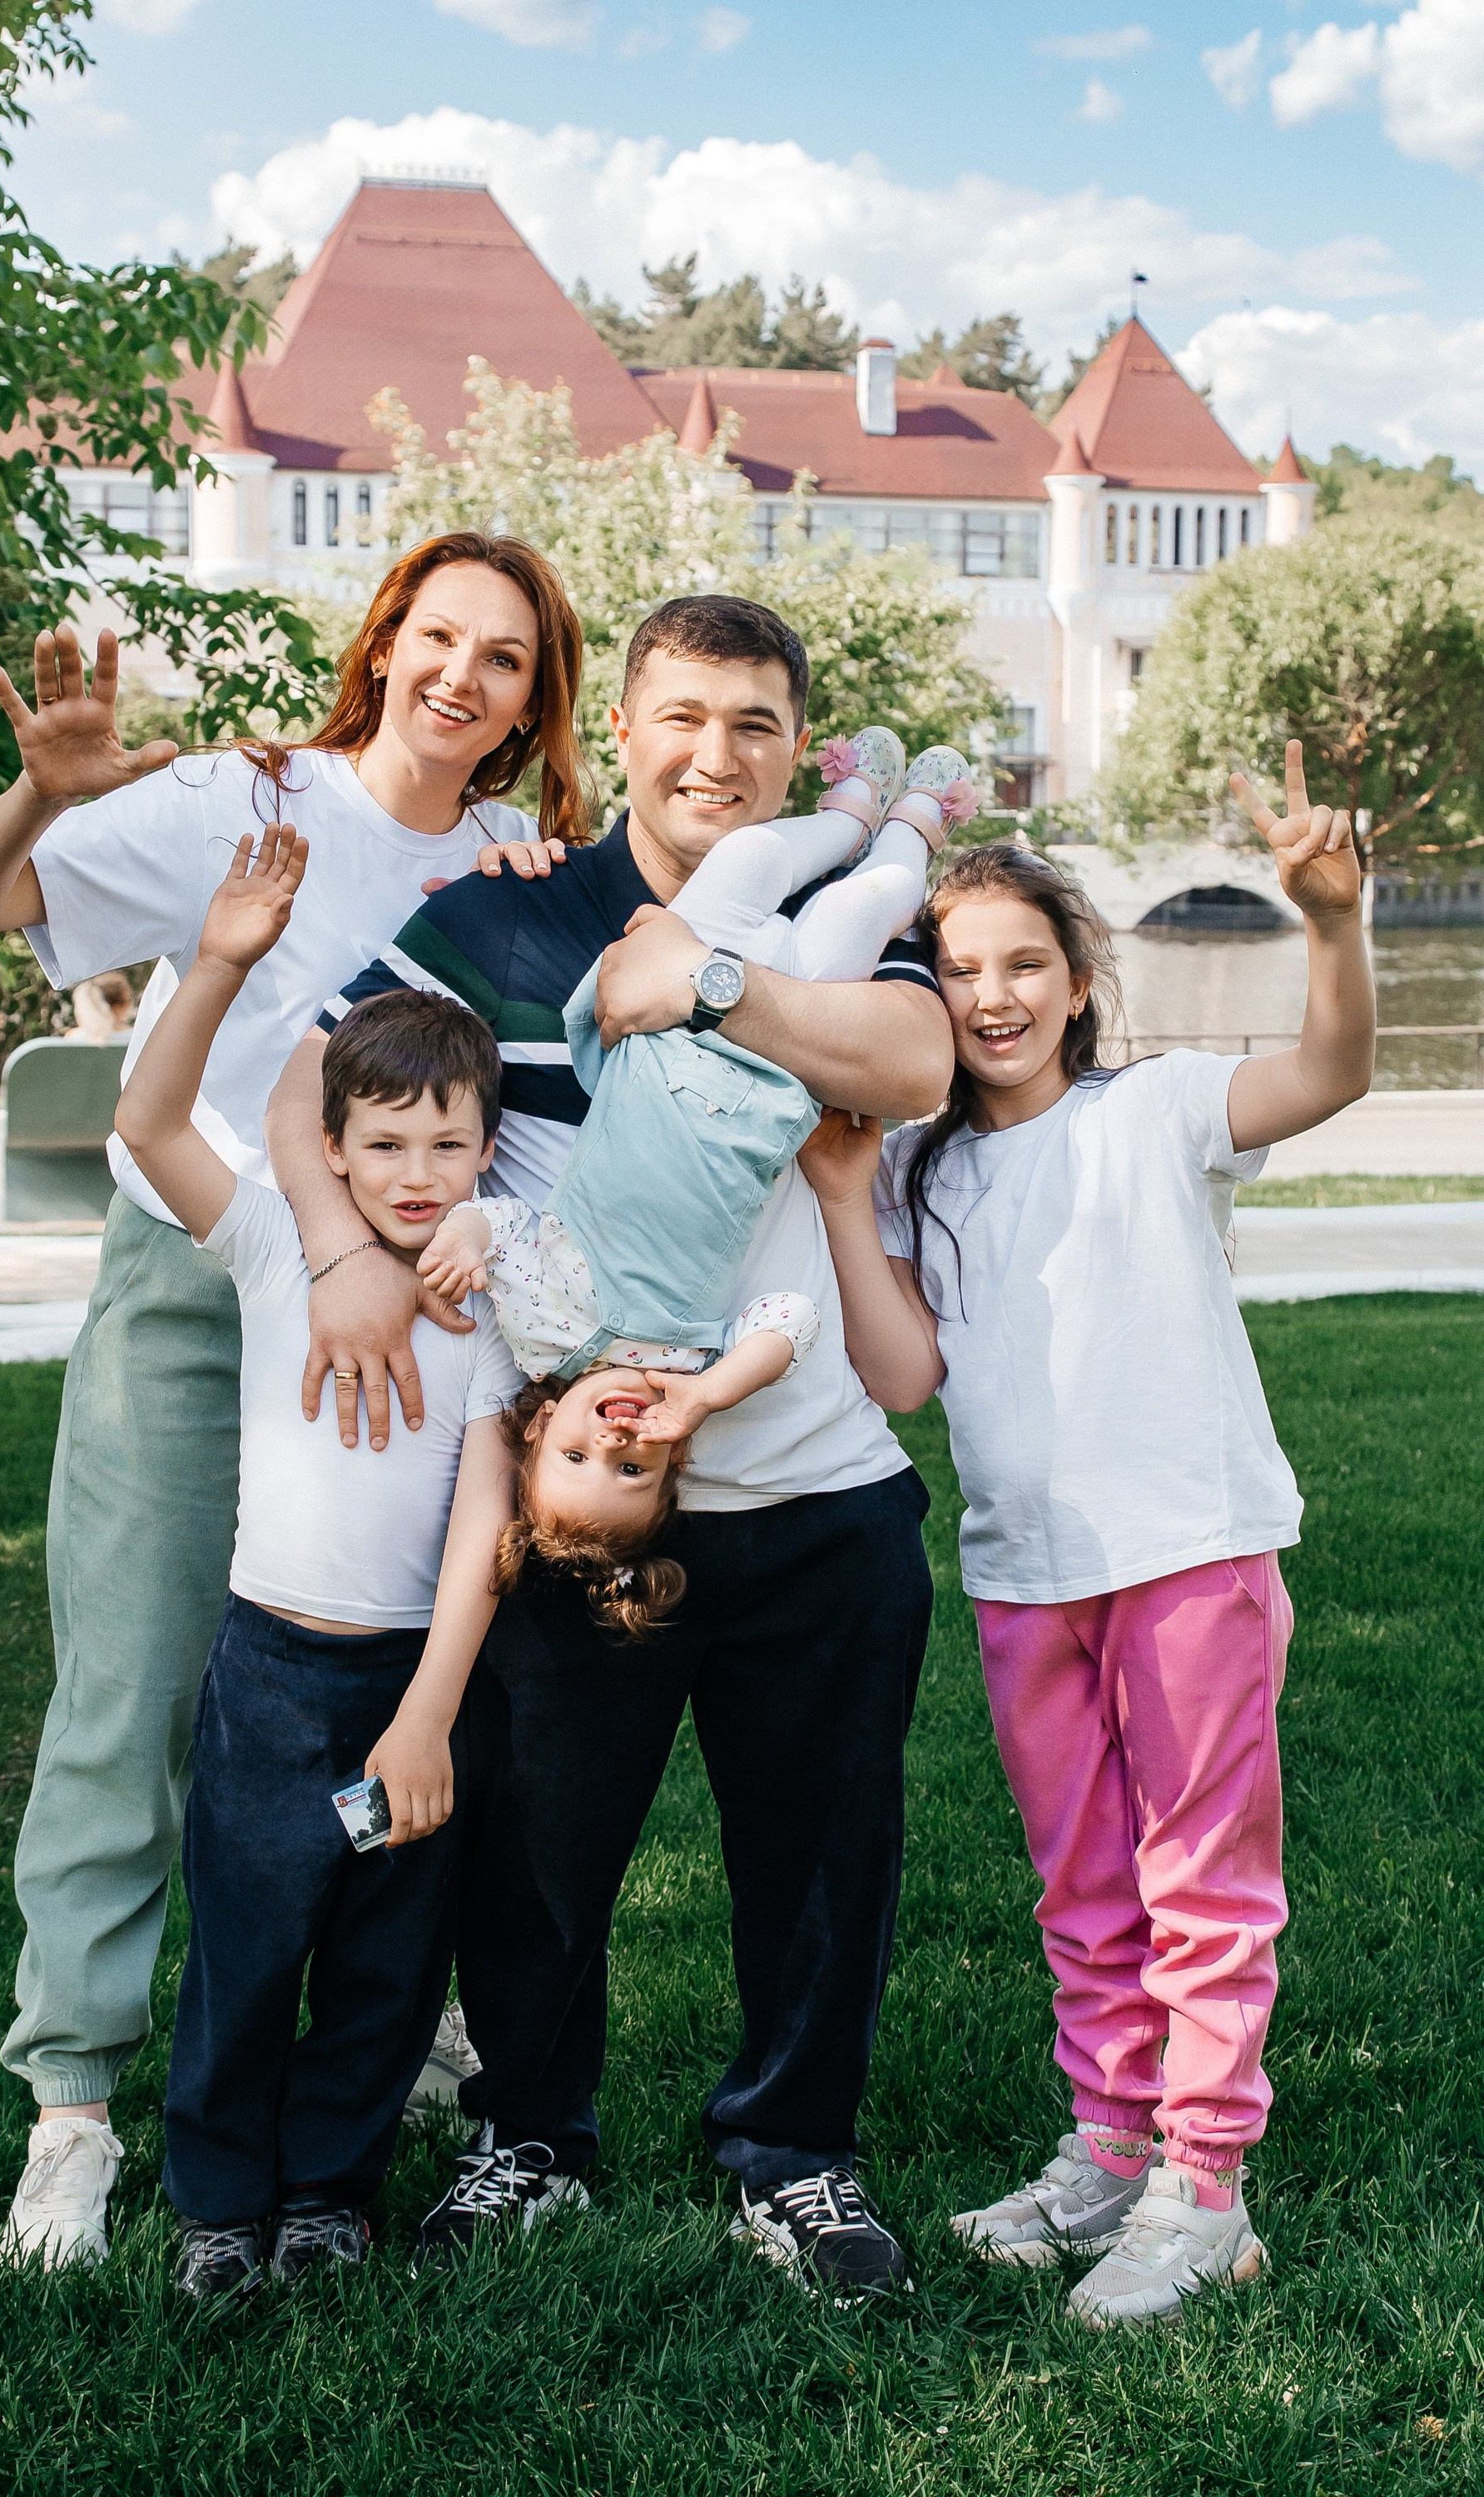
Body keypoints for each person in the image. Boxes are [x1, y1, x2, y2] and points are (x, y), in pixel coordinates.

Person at [266, 594, 955, 2299]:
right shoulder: (517, 919)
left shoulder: (826, 911)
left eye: (756, 726)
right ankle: (528, 2138)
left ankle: (792, 2156)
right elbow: (306, 1085)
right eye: (684, 715)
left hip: (813, 1491)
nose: (716, 753)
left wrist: (714, 982)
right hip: (580, 1506)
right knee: (538, 1847)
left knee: (822, 1847)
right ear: (622, 729)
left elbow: (917, 1055)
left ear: (800, 751)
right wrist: (346, 1251)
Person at [0, 531, 592, 2268]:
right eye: (438, 635)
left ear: (535, 700)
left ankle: (404, 2030)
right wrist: (38, 795)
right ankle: (74, 2096)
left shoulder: (530, 875)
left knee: (397, 1670)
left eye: (503, 657)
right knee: (133, 1683)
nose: (462, 675)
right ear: (385, 643)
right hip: (199, 1283)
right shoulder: (247, 797)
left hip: (413, 1340)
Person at [799, 742, 1375, 2329]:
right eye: (956, 969)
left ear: (1074, 983)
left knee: (1200, 1873)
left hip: (1187, 1550)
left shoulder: (1161, 1112)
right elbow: (906, 1374)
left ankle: (1206, 2187)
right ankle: (1113, 2149)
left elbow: (1326, 1078)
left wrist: (1332, 924)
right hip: (1023, 1572)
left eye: (1022, 966)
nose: (989, 997)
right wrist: (849, 1202)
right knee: (1083, 1883)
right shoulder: (916, 1172)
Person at [108, 822, 520, 2300]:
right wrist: (218, 965)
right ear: (333, 1150)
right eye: (387, 1143)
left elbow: (490, 1516)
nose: (418, 1173)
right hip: (270, 1672)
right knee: (251, 1945)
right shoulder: (286, 1248)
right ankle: (221, 2199)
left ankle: (329, 2192)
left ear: (490, 1148)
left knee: (386, 1963)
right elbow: (154, 1124)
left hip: (417, 1677)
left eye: (450, 1144)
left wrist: (427, 1714)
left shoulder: (494, 1300)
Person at [417, 728, 975, 1578]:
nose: (611, 1440)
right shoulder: (700, 1362)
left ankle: (849, 814)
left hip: (666, 1036)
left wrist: (461, 1238)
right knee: (867, 907)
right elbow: (788, 1320)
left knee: (750, 854)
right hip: (773, 1070)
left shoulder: (540, 1335)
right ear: (673, 1457)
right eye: (632, 1467)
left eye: (578, 1457)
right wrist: (707, 1395)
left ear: (539, 1428)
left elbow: (502, 1223)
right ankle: (917, 826)